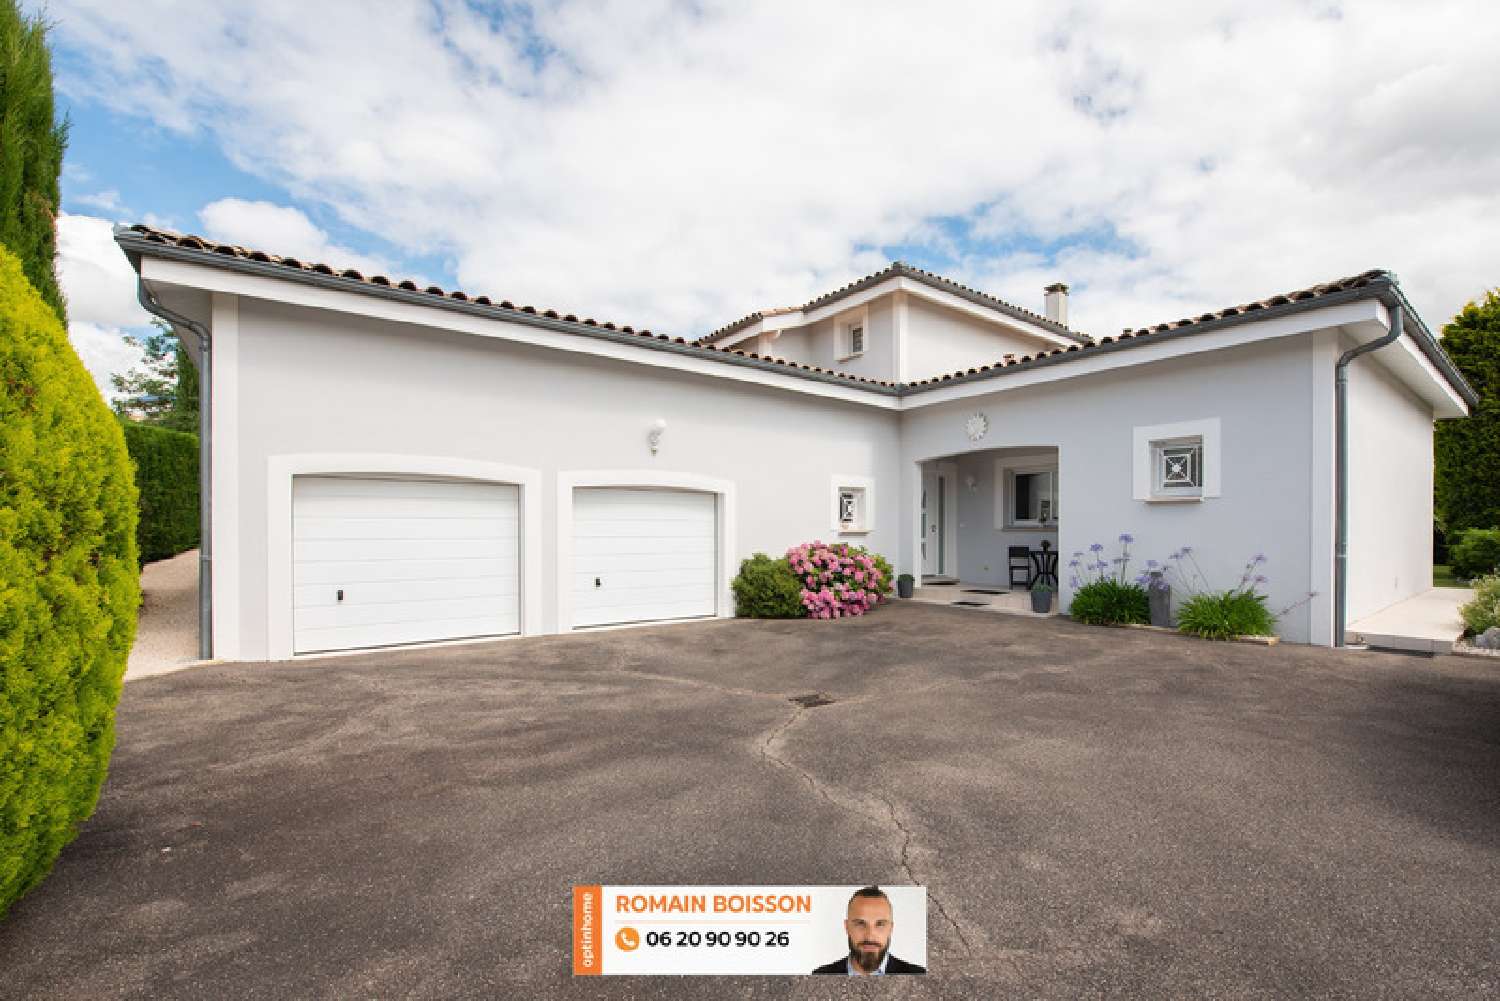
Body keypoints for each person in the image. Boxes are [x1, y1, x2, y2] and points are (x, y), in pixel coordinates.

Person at [811, 885, 926, 975]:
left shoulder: (918, 974)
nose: (870, 937)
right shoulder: (820, 975)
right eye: (860, 924)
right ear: (847, 927)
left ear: (890, 929)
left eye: (880, 924)